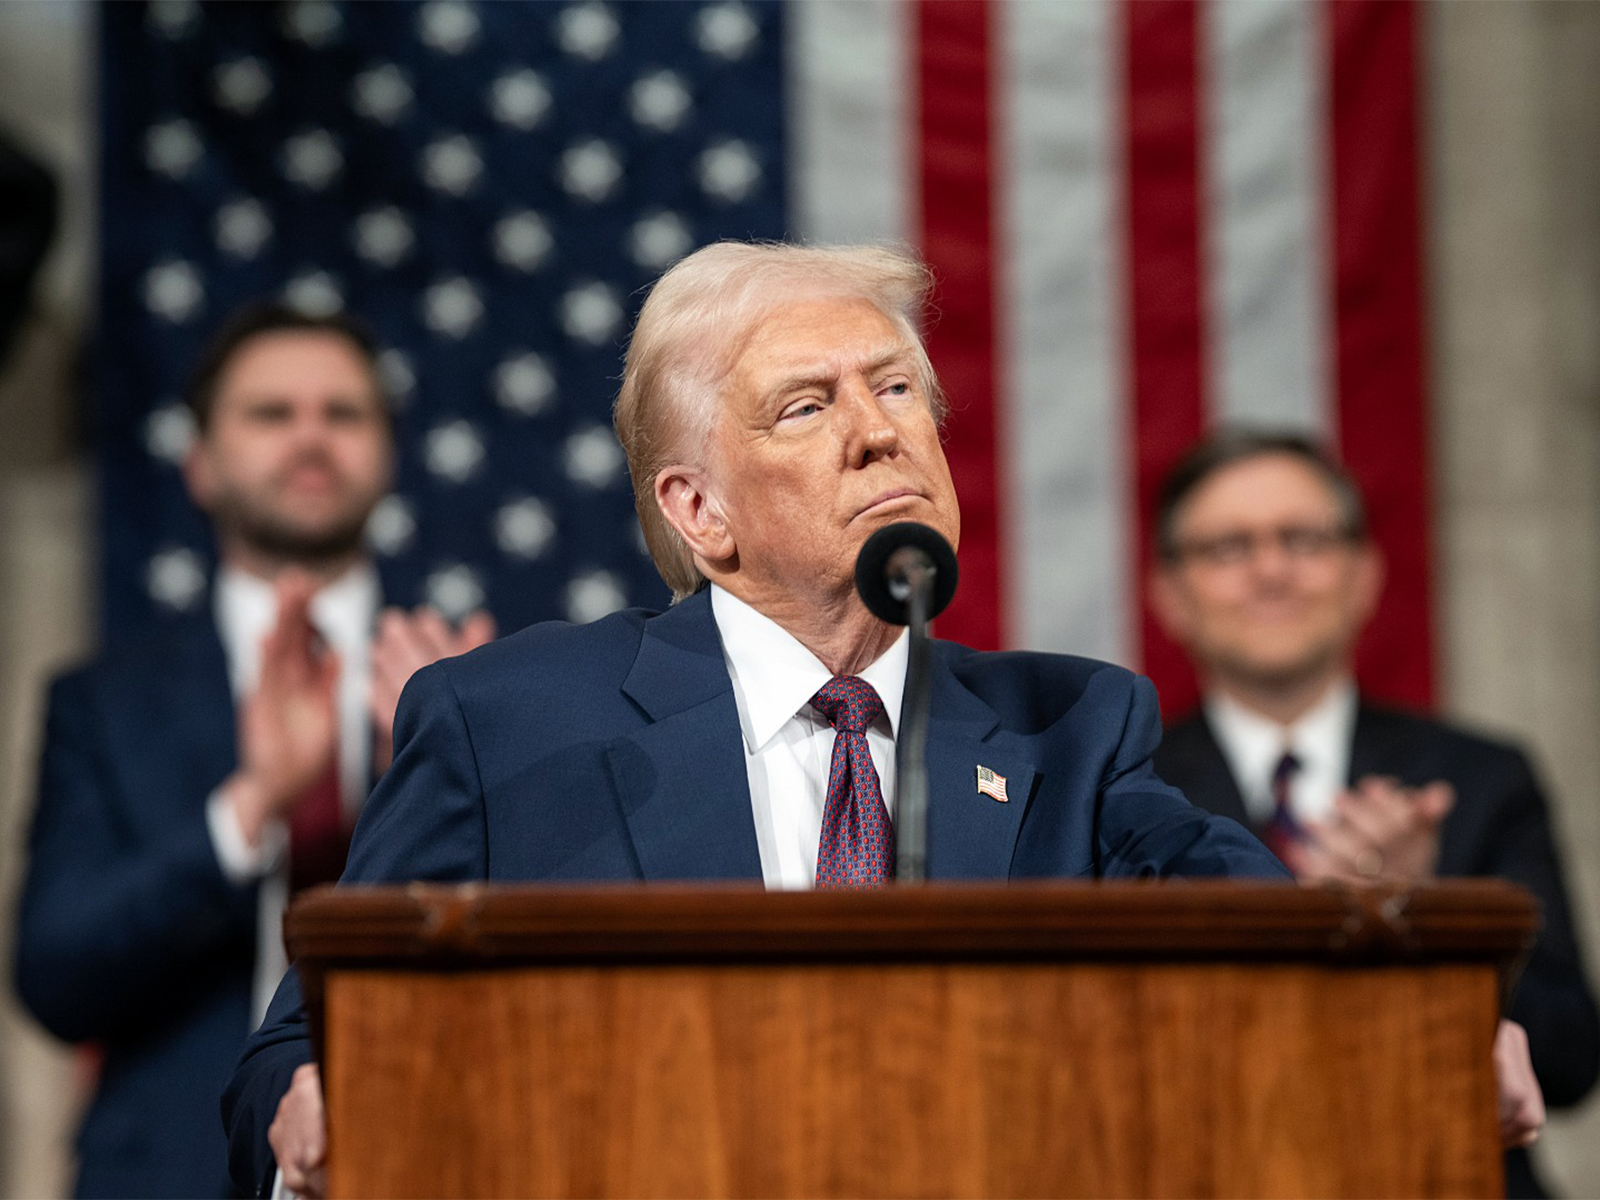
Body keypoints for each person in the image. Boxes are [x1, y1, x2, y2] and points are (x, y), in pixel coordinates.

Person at [222, 242, 1299, 1197]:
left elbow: (1240, 909)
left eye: (896, 390)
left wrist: (1440, 1018)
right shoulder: (513, 721)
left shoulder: (1071, 726)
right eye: (808, 405)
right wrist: (316, 1113)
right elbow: (306, 1039)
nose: (880, 434)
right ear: (700, 512)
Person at [14, 304, 493, 1198]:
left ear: (387, 454)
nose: (311, 438)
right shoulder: (102, 703)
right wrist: (252, 804)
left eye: (343, 414)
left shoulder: (471, 675)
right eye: (272, 414)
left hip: (436, 1154)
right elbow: (54, 977)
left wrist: (448, 768)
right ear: (200, 464)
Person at [1149, 428, 1597, 1198]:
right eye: (1228, 548)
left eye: (1304, 539)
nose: (1271, 571)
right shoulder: (1124, 785)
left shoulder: (1482, 779)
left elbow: (1569, 1059)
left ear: (1364, 576)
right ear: (1170, 595)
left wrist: (1423, 917)